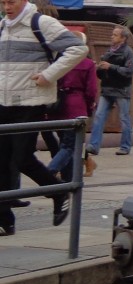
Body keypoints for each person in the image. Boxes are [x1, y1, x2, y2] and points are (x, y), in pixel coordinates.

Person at [0, 0, 87, 236]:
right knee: (1, 162)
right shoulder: (3, 26)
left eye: (11, 2)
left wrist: (49, 75)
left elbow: (78, 48)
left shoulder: (41, 23)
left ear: (24, 0)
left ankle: (58, 192)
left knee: (22, 158)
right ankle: (5, 219)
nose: (7, 7)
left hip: (31, 101)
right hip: (4, 102)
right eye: (3, 3)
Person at [48, 28, 98, 182]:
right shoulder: (87, 64)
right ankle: (50, 171)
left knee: (65, 143)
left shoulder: (59, 61)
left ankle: (68, 179)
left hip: (58, 106)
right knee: (69, 146)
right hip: (77, 107)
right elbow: (91, 90)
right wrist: (89, 106)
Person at [85, 24, 133, 159]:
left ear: (123, 38)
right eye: (112, 35)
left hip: (121, 90)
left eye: (115, 35)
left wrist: (111, 66)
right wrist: (100, 68)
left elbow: (129, 72)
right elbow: (102, 74)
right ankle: (94, 146)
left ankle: (125, 147)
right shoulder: (109, 51)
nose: (112, 37)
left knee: (124, 119)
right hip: (107, 89)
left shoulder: (128, 52)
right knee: (99, 116)